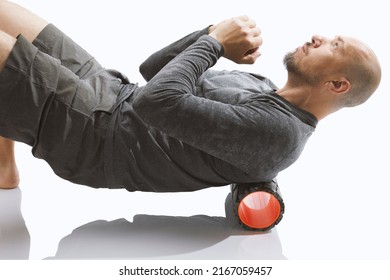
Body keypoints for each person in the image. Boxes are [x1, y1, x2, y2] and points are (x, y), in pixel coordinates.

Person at [0, 0, 381, 192]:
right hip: (113, 92)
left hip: (97, 136)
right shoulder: (261, 86)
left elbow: (155, 104)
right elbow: (153, 73)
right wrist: (210, 33)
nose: (318, 37)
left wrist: (214, 44)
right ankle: (4, 167)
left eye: (333, 45)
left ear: (337, 85)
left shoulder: (278, 134)